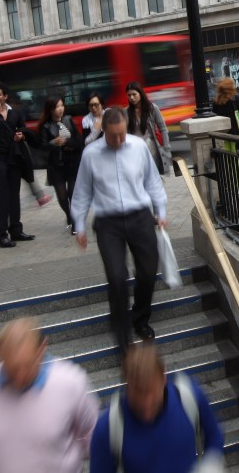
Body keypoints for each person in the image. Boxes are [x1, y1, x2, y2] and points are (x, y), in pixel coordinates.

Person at [0, 318, 98, 473]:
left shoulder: (70, 382)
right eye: (12, 369)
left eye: (27, 365)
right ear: (0, 358)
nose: (20, 377)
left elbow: (94, 434)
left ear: (42, 349)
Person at [71, 107, 167, 351]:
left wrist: (161, 211)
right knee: (116, 277)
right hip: (108, 223)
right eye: (114, 135)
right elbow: (82, 192)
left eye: (122, 134)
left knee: (147, 271)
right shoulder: (91, 154)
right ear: (104, 131)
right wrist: (79, 225)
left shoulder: (138, 147)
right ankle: (122, 335)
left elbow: (152, 181)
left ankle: (140, 317)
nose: (119, 140)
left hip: (140, 217)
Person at [89, 342, 223, 473]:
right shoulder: (107, 428)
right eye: (138, 400)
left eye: (153, 399)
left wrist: (210, 464)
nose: (147, 410)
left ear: (163, 378)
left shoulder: (190, 398)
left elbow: (215, 437)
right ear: (127, 386)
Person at [0, 82, 37, 248]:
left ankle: (16, 230)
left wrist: (21, 136)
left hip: (14, 157)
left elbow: (23, 129)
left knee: (14, 194)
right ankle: (1, 234)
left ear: (5, 96)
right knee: (3, 195)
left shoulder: (15, 112)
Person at [38, 96, 82, 234]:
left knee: (72, 193)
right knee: (62, 197)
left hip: (71, 163)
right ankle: (69, 215)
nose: (60, 109)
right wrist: (54, 143)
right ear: (50, 109)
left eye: (62, 105)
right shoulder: (45, 126)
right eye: (57, 106)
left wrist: (69, 144)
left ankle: (75, 223)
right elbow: (43, 146)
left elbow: (78, 140)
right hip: (56, 166)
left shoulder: (68, 120)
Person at [125, 82, 172, 176]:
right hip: (134, 150)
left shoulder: (152, 108)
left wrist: (167, 149)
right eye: (129, 95)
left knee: (154, 177)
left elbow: (163, 128)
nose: (132, 98)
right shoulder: (126, 112)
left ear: (141, 94)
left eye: (134, 94)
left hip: (151, 148)